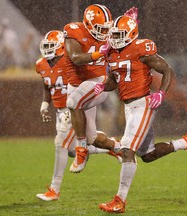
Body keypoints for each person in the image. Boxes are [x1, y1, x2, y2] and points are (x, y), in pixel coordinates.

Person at [94, 10, 187, 213]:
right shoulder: (111, 53)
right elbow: (114, 81)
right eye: (114, 35)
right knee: (148, 155)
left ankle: (119, 200)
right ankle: (186, 142)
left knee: (128, 150)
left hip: (143, 104)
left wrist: (161, 93)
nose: (115, 39)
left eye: (119, 35)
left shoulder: (140, 48)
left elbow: (166, 70)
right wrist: (102, 86)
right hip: (129, 107)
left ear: (131, 33)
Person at [35, 30, 121, 201]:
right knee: (77, 148)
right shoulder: (41, 64)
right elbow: (47, 85)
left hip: (75, 107)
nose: (48, 51)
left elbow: (87, 74)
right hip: (61, 109)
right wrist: (45, 104)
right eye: (46, 46)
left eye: (51, 47)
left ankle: (54, 189)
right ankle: (116, 148)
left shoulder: (70, 62)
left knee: (60, 143)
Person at [64, 4, 121, 173]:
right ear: (88, 25)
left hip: (97, 83)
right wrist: (99, 53)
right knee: (93, 138)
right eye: (100, 29)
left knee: (73, 102)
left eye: (106, 29)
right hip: (75, 85)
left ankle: (81, 150)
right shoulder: (73, 31)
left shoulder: (110, 36)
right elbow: (76, 58)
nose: (104, 33)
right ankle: (119, 148)